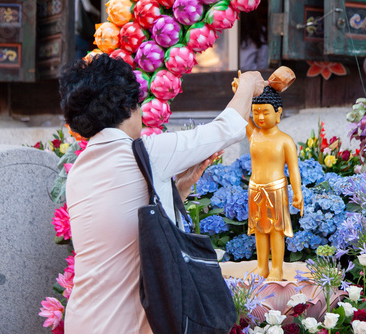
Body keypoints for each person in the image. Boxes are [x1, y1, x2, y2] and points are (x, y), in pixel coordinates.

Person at [60, 54, 266, 333]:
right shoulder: (143, 153)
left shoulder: (79, 170)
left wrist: (178, 190)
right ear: (127, 105)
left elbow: (127, 226)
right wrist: (248, 84)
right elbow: (226, 129)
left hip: (82, 319)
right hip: (124, 324)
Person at [246, 86, 303, 281]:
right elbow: (241, 115)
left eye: (265, 112)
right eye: (256, 112)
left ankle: (276, 268)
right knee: (259, 230)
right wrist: (242, 94)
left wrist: (298, 193)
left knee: (276, 230)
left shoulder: (285, 140)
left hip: (276, 189)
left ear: (278, 113)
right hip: (255, 188)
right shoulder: (253, 134)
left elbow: (293, 169)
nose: (260, 117)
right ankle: (262, 266)